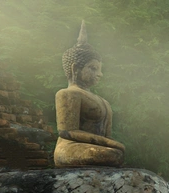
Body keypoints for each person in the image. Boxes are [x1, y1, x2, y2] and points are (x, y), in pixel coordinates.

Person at [53, 21, 125, 167]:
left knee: (114, 154)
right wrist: (109, 143)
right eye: (93, 68)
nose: (100, 74)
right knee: (111, 154)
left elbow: (106, 134)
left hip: (95, 147)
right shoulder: (67, 94)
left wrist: (109, 142)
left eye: (100, 69)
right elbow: (66, 131)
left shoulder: (104, 102)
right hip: (70, 147)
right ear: (75, 69)